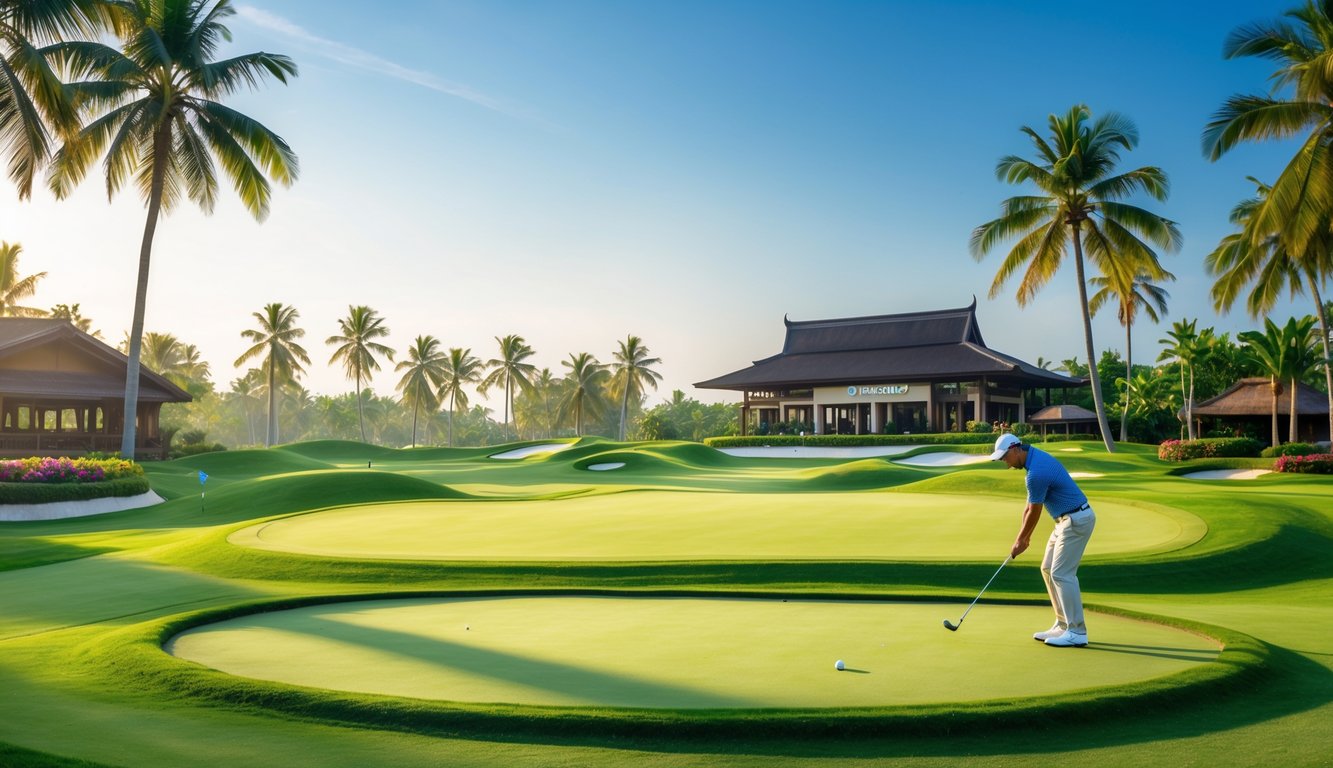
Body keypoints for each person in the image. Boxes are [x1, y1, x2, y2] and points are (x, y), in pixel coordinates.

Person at [988, 432, 1096, 647]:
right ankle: (1063, 624)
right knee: (1047, 568)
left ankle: (1077, 631)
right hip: (1065, 520)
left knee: (1062, 574)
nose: (1006, 464)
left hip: (1076, 519)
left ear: (1015, 449)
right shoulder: (1034, 459)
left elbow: (1035, 512)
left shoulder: (1036, 473)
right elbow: (1029, 507)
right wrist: (1022, 538)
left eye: (1005, 458)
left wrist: (1022, 540)